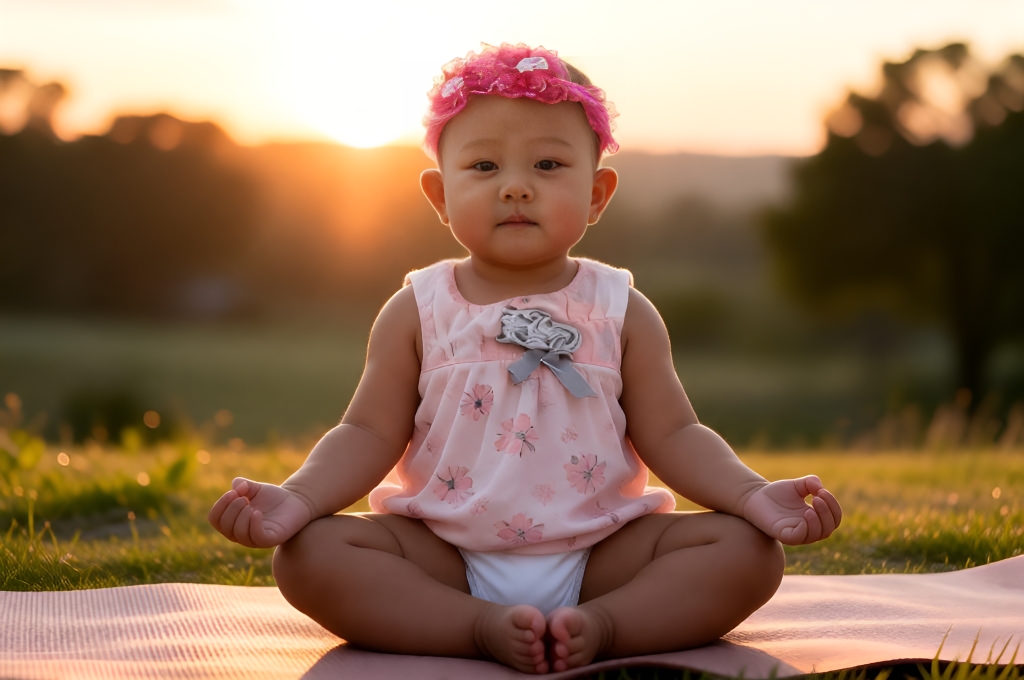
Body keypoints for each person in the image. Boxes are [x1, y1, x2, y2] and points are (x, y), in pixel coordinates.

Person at [208, 43, 842, 674]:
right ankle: (474, 628)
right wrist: (297, 499)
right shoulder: (419, 309)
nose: (515, 187)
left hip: (603, 554)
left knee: (747, 551)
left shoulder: (620, 308)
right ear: (439, 194)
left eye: (546, 164)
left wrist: (754, 495)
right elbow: (366, 432)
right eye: (484, 167)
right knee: (309, 553)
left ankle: (604, 626)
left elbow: (675, 433)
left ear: (596, 194)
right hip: (444, 555)